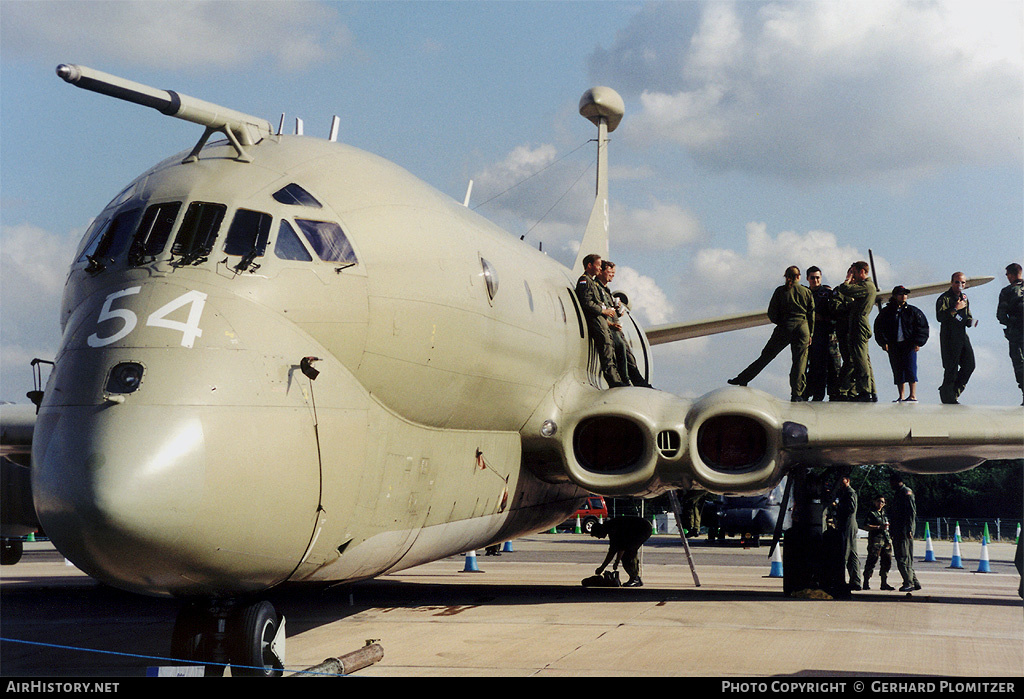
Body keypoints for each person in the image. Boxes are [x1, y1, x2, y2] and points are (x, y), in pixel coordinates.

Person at [729, 266, 815, 401]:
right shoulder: (806, 291)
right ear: (799, 276)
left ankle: (743, 378)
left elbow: (772, 313)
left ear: (786, 276)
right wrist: (810, 333)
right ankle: (797, 394)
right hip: (803, 328)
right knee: (799, 362)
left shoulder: (780, 291)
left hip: (785, 327)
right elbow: (811, 314)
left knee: (766, 356)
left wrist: (782, 323)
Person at [597, 261, 653, 388]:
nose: (612, 276)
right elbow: (597, 311)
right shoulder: (597, 288)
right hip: (609, 327)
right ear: (601, 271)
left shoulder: (605, 290)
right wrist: (610, 324)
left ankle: (635, 379)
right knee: (620, 348)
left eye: (613, 273)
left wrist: (619, 310)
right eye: (610, 272)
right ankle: (627, 379)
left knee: (626, 351)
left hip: (614, 327)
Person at [576, 254, 626, 387]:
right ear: (589, 266)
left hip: (602, 322)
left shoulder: (590, 281)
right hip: (596, 321)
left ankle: (617, 379)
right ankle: (613, 381)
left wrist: (610, 321)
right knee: (606, 351)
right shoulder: (584, 281)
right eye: (598, 265)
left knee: (609, 350)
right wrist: (604, 311)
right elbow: (587, 303)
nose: (599, 268)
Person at [873, 286, 929, 402]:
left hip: (909, 344)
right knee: (898, 369)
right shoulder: (886, 312)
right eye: (900, 294)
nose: (903, 296)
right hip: (894, 344)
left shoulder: (913, 311)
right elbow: (879, 328)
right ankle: (901, 395)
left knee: (911, 368)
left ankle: (913, 395)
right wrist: (883, 342)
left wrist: (918, 342)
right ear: (894, 296)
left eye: (905, 294)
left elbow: (922, 327)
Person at [835, 261, 877, 401]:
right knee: (858, 358)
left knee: (860, 359)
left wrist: (847, 280)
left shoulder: (866, 286)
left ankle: (865, 391)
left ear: (861, 272)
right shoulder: (867, 287)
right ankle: (863, 390)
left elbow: (845, 290)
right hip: (857, 324)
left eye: (854, 272)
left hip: (859, 324)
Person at [936, 272, 976, 404]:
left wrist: (970, 321)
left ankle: (953, 392)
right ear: (952, 282)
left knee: (969, 365)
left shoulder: (964, 298)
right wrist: (955, 309)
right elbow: (940, 317)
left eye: (963, 282)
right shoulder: (944, 298)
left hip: (962, 335)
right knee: (951, 368)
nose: (960, 285)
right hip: (949, 336)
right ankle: (948, 397)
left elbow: (966, 316)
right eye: (957, 282)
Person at [804, 267, 840, 401]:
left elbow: (834, 312)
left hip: (823, 333)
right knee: (809, 365)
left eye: (817, 277)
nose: (815, 280)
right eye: (812, 278)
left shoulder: (826, 294)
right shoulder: (804, 293)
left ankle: (820, 394)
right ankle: (807, 391)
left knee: (823, 365)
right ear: (808, 278)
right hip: (808, 334)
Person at [590, 516, 653, 587]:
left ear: (600, 531)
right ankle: (635, 577)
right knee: (629, 551)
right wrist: (616, 561)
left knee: (628, 554)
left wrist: (603, 567)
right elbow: (619, 547)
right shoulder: (610, 527)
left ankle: (635, 579)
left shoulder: (613, 529)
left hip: (643, 528)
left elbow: (614, 551)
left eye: (597, 535)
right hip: (641, 527)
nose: (599, 538)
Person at [888, 472, 921, 592]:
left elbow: (911, 513)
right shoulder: (899, 493)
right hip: (898, 530)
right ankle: (914, 581)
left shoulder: (906, 492)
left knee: (902, 558)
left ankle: (908, 582)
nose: (891, 485)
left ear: (897, 482)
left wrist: (910, 529)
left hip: (903, 531)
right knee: (906, 558)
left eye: (892, 483)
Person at [996, 263, 1024, 406]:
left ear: (1012, 275)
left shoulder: (1007, 291)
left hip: (1016, 333)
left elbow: (1000, 315)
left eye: (1007, 274)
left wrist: (1010, 324)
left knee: (1019, 364)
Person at [832, 474, 861, 591]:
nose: (840, 483)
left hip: (848, 524)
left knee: (844, 552)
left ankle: (840, 580)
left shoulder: (850, 493)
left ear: (847, 480)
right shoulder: (844, 493)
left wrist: (837, 505)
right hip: (846, 524)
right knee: (852, 554)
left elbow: (851, 508)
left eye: (842, 481)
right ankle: (855, 580)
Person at [862, 495, 895, 591]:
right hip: (875, 541)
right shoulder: (872, 514)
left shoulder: (885, 514)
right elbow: (866, 526)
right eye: (879, 501)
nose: (880, 504)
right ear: (875, 502)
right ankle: (866, 582)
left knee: (886, 562)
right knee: (872, 561)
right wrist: (878, 527)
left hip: (886, 540)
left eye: (882, 502)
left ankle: (884, 583)